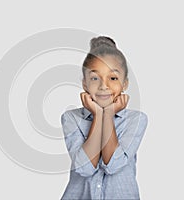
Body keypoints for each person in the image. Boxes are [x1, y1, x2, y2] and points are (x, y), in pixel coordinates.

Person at [61, 36, 148, 200]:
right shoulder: (71, 118)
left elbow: (113, 165)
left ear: (125, 84)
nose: (103, 86)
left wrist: (107, 114)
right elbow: (85, 168)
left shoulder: (136, 120)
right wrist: (98, 115)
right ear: (85, 84)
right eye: (94, 78)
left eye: (113, 78)